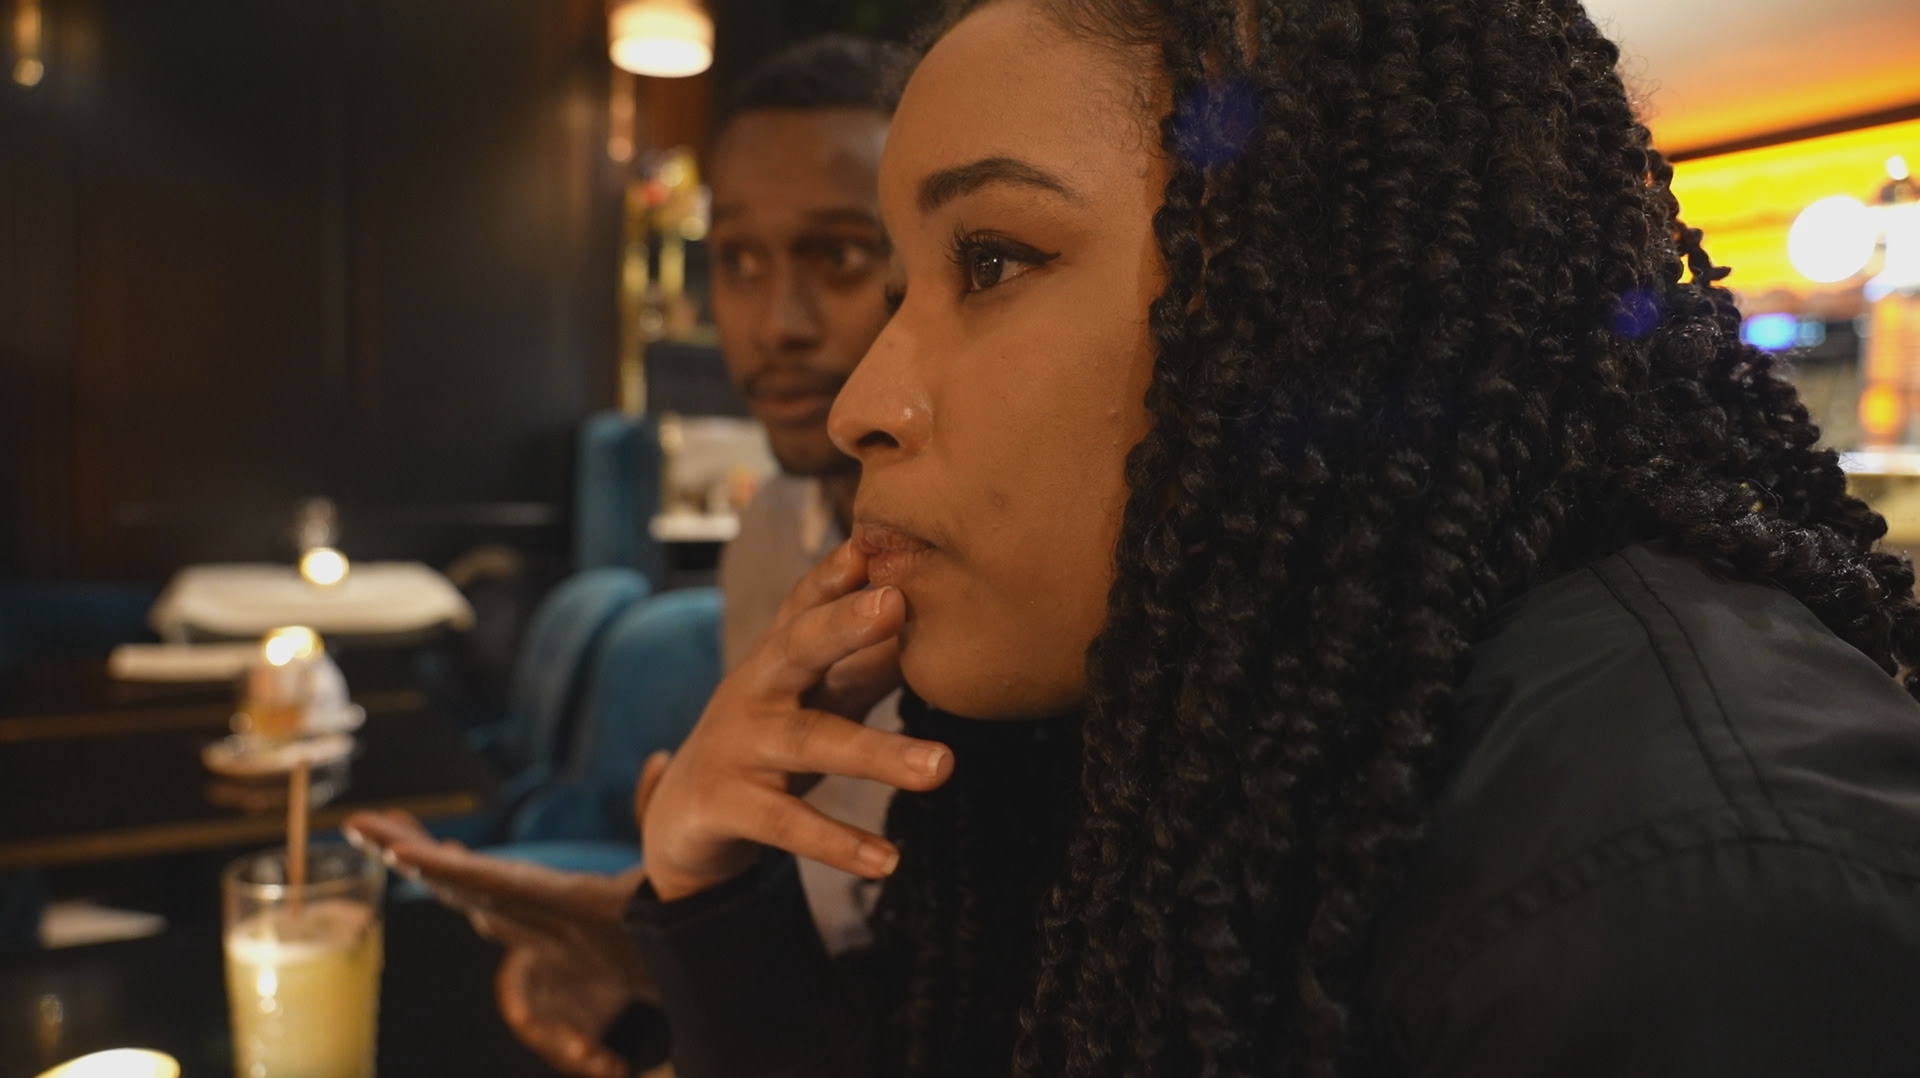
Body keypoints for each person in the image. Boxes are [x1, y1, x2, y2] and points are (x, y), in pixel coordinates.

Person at [620, 1, 1920, 1076]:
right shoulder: (1196, 710)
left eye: (993, 260)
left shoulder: (1693, 889)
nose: (858, 403)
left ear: (1319, 297)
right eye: (903, 286)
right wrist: (716, 907)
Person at [346, 33, 915, 1078]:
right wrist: (637, 936)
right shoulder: (770, 535)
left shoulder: (981, 576)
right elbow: (799, 902)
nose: (777, 323)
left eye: (839, 253)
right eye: (739, 260)